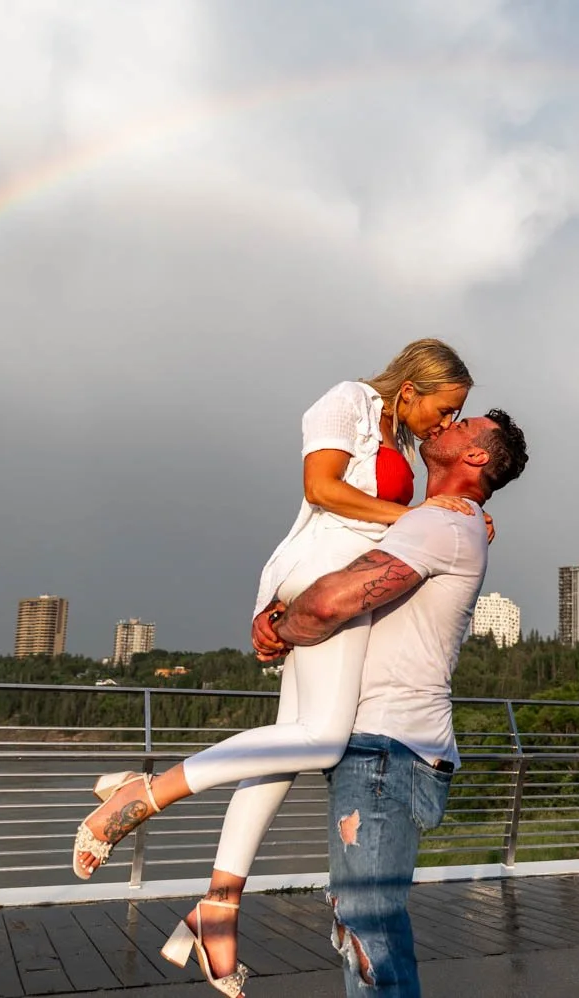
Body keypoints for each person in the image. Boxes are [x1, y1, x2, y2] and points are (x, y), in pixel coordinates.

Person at [70, 339, 491, 997]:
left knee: (294, 743)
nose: (444, 422)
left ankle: (219, 909)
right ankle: (144, 794)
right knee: (323, 739)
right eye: (448, 407)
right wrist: (421, 517)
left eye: (457, 416)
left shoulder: (399, 439)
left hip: (341, 586)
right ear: (414, 385)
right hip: (320, 579)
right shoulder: (347, 401)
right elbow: (318, 488)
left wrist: (439, 518)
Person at [253, 408, 529, 997]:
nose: (442, 424)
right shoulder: (439, 522)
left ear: (476, 456)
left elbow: (330, 602)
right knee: (363, 930)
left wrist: (280, 624)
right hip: (391, 752)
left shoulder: (442, 527)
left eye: (460, 425)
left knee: (369, 934)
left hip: (388, 753)